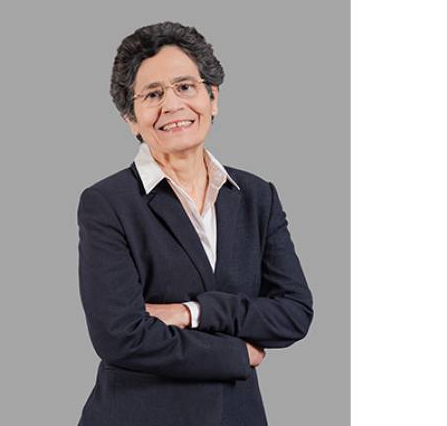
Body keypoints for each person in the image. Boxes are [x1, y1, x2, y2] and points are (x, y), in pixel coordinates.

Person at [76, 21, 314, 426]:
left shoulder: (257, 196)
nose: (172, 105)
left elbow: (294, 313)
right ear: (131, 118)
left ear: (212, 97)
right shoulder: (108, 203)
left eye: (185, 87)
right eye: (153, 94)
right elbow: (120, 336)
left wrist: (194, 313)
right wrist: (237, 353)